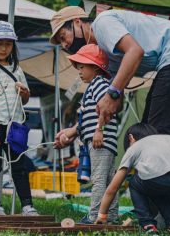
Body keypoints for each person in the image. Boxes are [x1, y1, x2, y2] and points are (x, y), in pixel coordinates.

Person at [50, 6, 170, 135]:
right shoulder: (105, 54)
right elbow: (115, 105)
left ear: (77, 22)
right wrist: (75, 130)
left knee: (156, 131)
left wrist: (112, 94)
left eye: (63, 37)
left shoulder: (103, 23)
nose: (64, 45)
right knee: (146, 131)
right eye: (60, 43)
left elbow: (135, 51)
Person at [94, 123, 170, 234]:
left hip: (154, 181)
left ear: (131, 138)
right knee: (155, 188)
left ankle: (147, 224)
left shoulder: (136, 146)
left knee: (134, 182)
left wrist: (102, 216)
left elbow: (113, 188)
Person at [0, 21, 38, 216]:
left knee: (19, 166)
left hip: (15, 126)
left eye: (8, 44)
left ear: (13, 46)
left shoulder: (17, 69)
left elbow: (25, 99)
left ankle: (27, 205)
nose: (3, 48)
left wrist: (24, 91)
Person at [55, 44, 119, 224]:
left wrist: (99, 130)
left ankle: (93, 216)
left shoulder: (98, 83)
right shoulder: (94, 86)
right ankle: (111, 217)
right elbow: (86, 119)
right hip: (103, 141)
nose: (79, 71)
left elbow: (105, 108)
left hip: (100, 140)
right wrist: (71, 132)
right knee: (107, 181)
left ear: (96, 67)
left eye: (82, 67)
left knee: (99, 180)